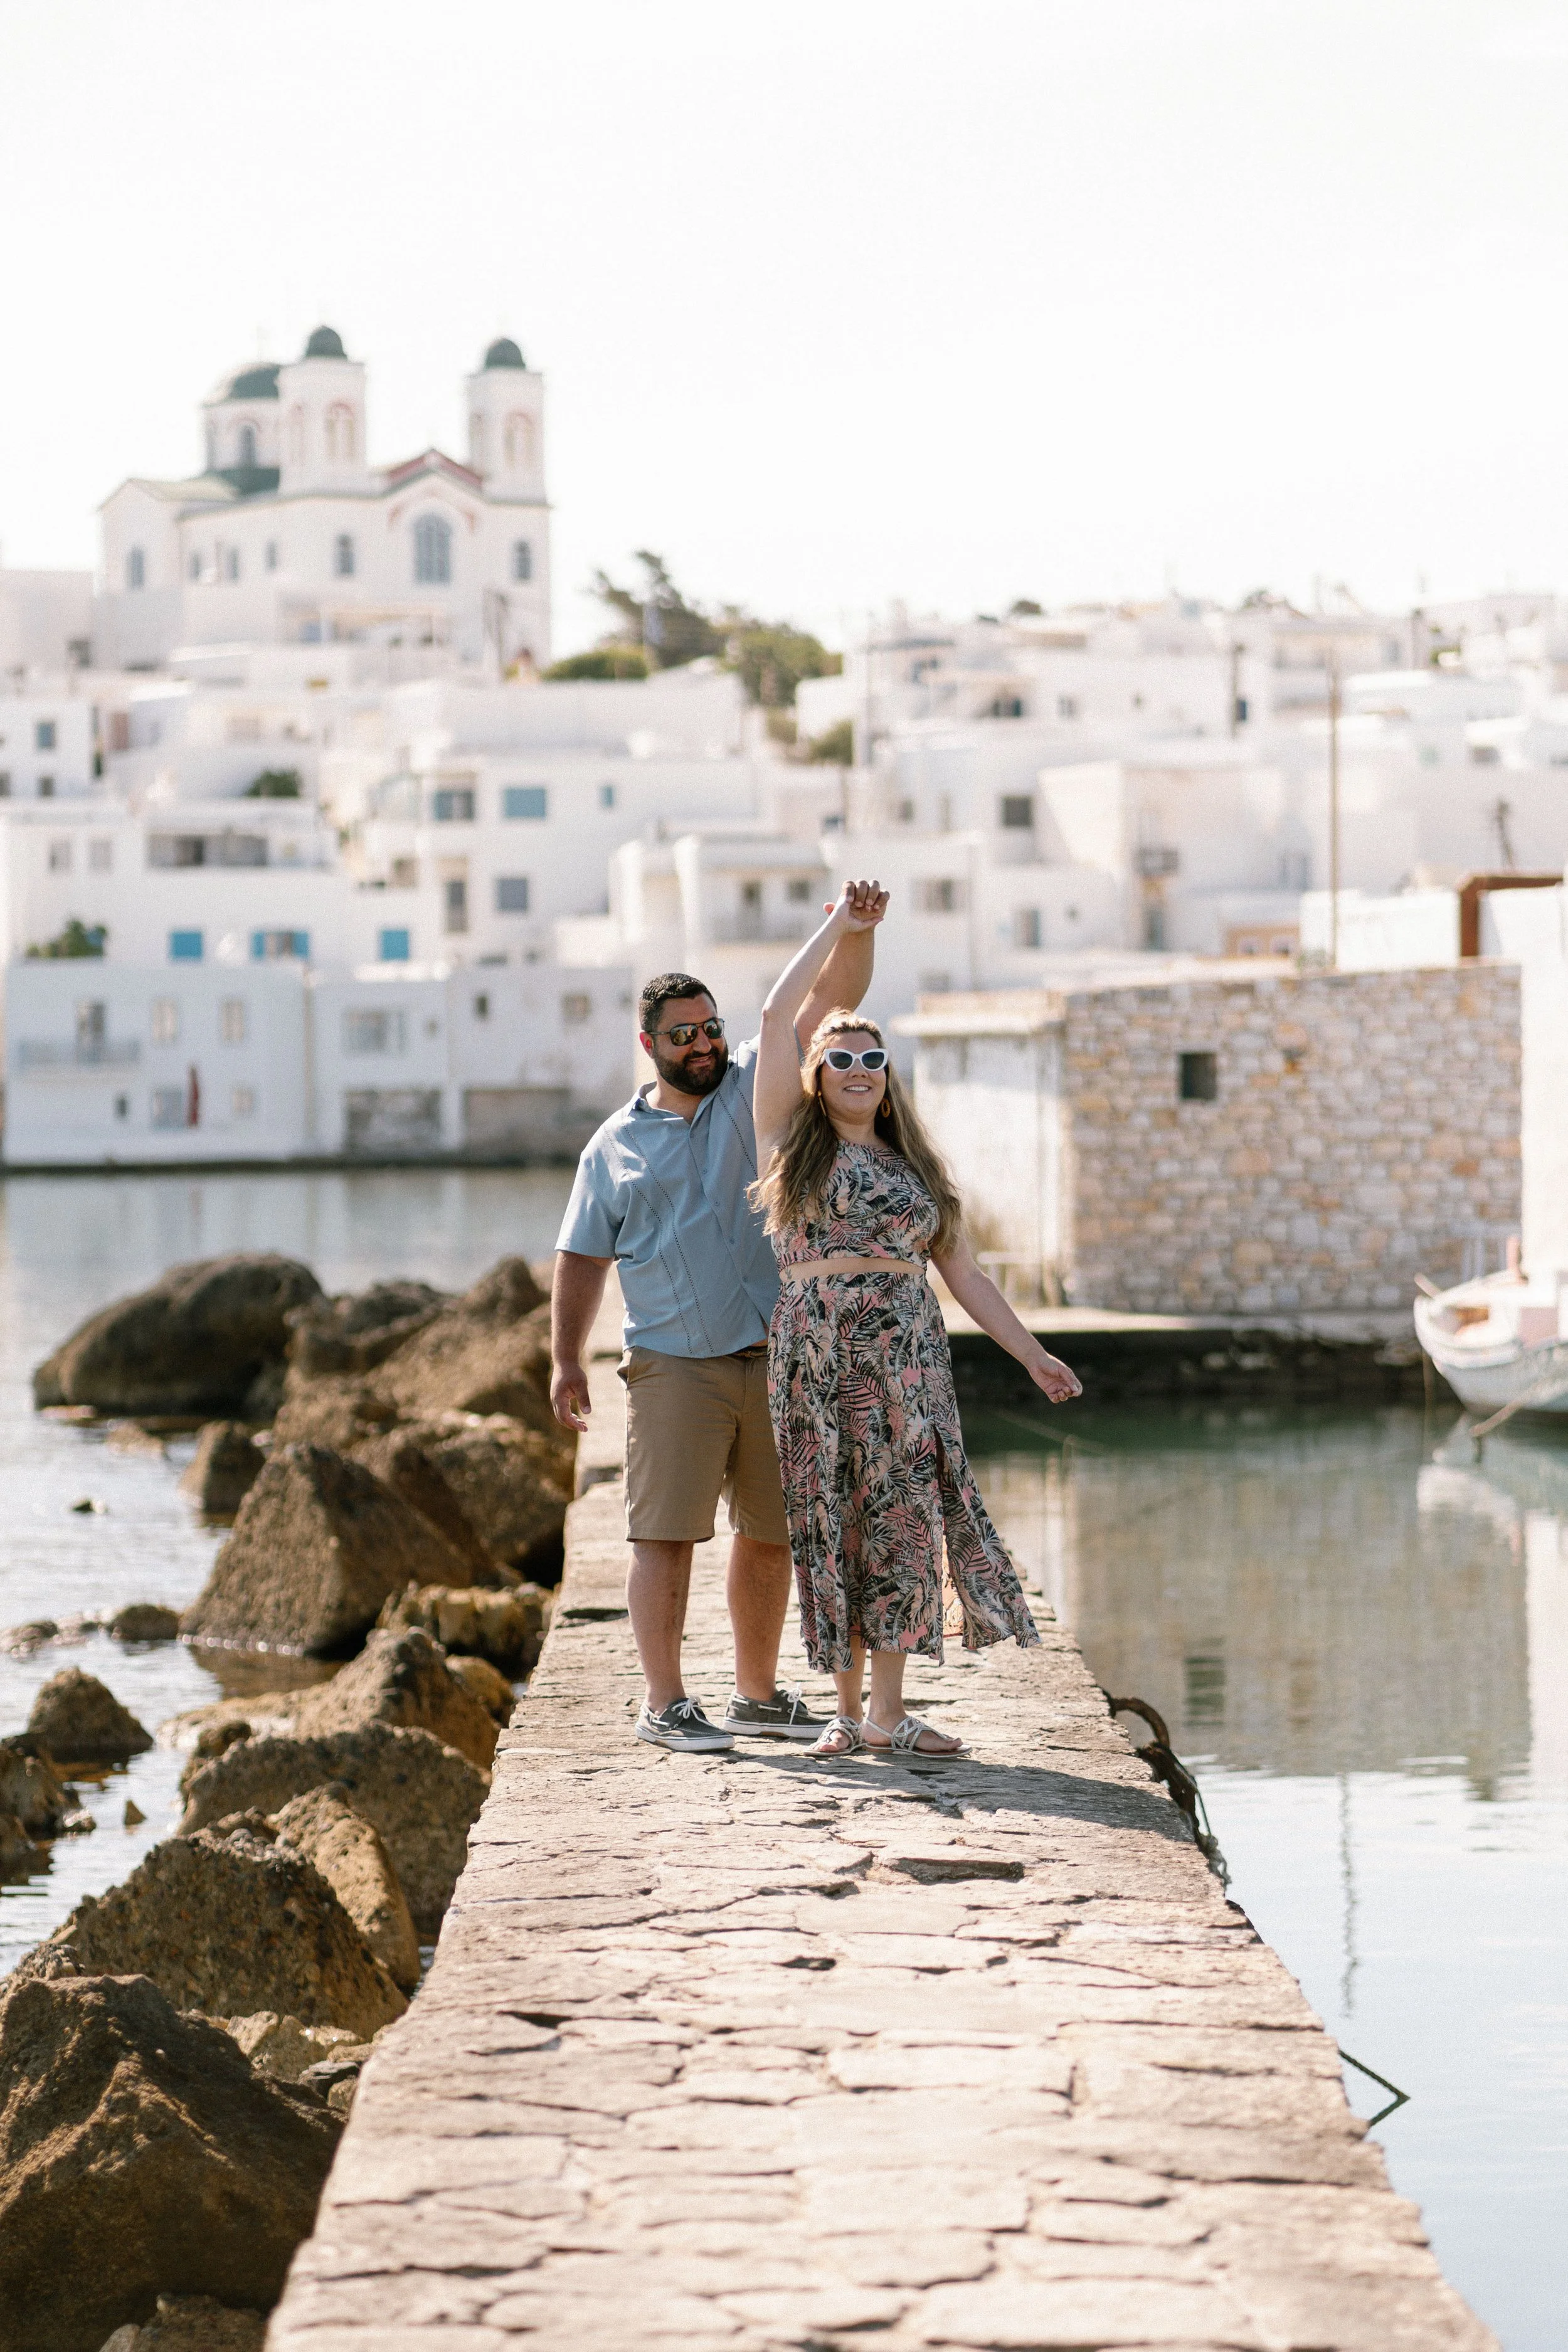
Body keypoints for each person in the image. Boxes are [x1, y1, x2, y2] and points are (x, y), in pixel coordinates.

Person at [550, 881, 891, 1752]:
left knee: (773, 1537)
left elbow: (830, 999)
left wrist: (853, 928)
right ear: (648, 1044)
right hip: (672, 1363)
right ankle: (664, 1703)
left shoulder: (758, 1092)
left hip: (778, 1357)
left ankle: (757, 1693)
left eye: (708, 1028)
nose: (701, 1044)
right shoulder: (612, 1147)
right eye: (682, 1035)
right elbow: (581, 1257)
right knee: (664, 1536)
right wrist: (564, 1361)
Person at [751, 886, 1081, 1759]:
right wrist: (842, 926)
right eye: (842, 1060)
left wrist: (1034, 1355)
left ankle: (889, 1713)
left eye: (874, 1059)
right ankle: (846, 1707)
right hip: (816, 1352)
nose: (859, 1070)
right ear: (816, 1077)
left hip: (905, 1356)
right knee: (828, 1515)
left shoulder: (915, 1166)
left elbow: (963, 1273)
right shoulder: (786, 1140)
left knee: (900, 1517)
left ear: (888, 1076)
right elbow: (778, 1010)